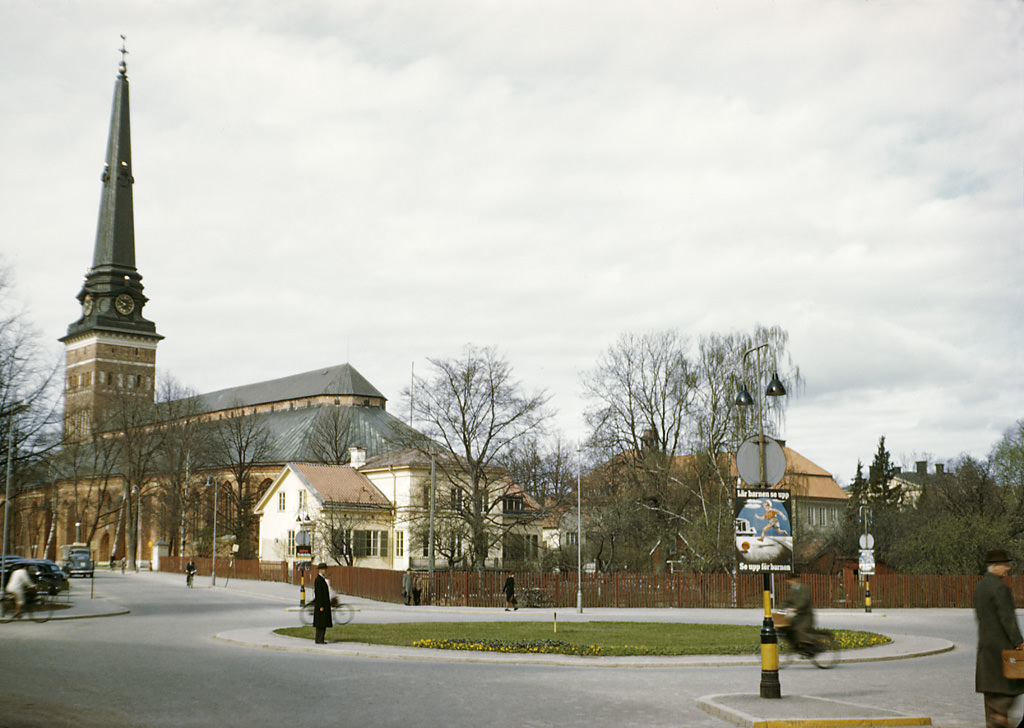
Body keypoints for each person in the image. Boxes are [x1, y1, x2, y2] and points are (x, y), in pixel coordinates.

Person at [974, 548, 1024, 728]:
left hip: (986, 650)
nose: (1007, 568)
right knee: (1010, 690)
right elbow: (1007, 618)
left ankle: (994, 720)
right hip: (1003, 650)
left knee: (991, 694)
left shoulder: (980, 587)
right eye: (1004, 565)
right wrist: (1019, 641)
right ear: (994, 566)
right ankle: (1001, 719)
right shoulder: (1000, 588)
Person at [780, 571, 813, 654]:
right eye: (788, 580)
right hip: (797, 616)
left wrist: (794, 608)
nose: (789, 582)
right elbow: (787, 601)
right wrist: (779, 609)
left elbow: (804, 601)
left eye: (791, 580)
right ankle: (795, 646)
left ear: (796, 579)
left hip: (805, 616)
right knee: (785, 628)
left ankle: (809, 646)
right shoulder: (792, 590)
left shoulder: (804, 588)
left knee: (799, 629)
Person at [313, 562, 333, 644]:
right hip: (321, 605)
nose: (325, 571)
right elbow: (319, 594)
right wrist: (321, 605)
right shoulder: (319, 580)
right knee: (321, 623)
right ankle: (319, 639)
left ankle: (320, 639)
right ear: (321, 570)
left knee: (322, 623)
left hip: (323, 604)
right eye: (324, 569)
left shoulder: (322, 579)